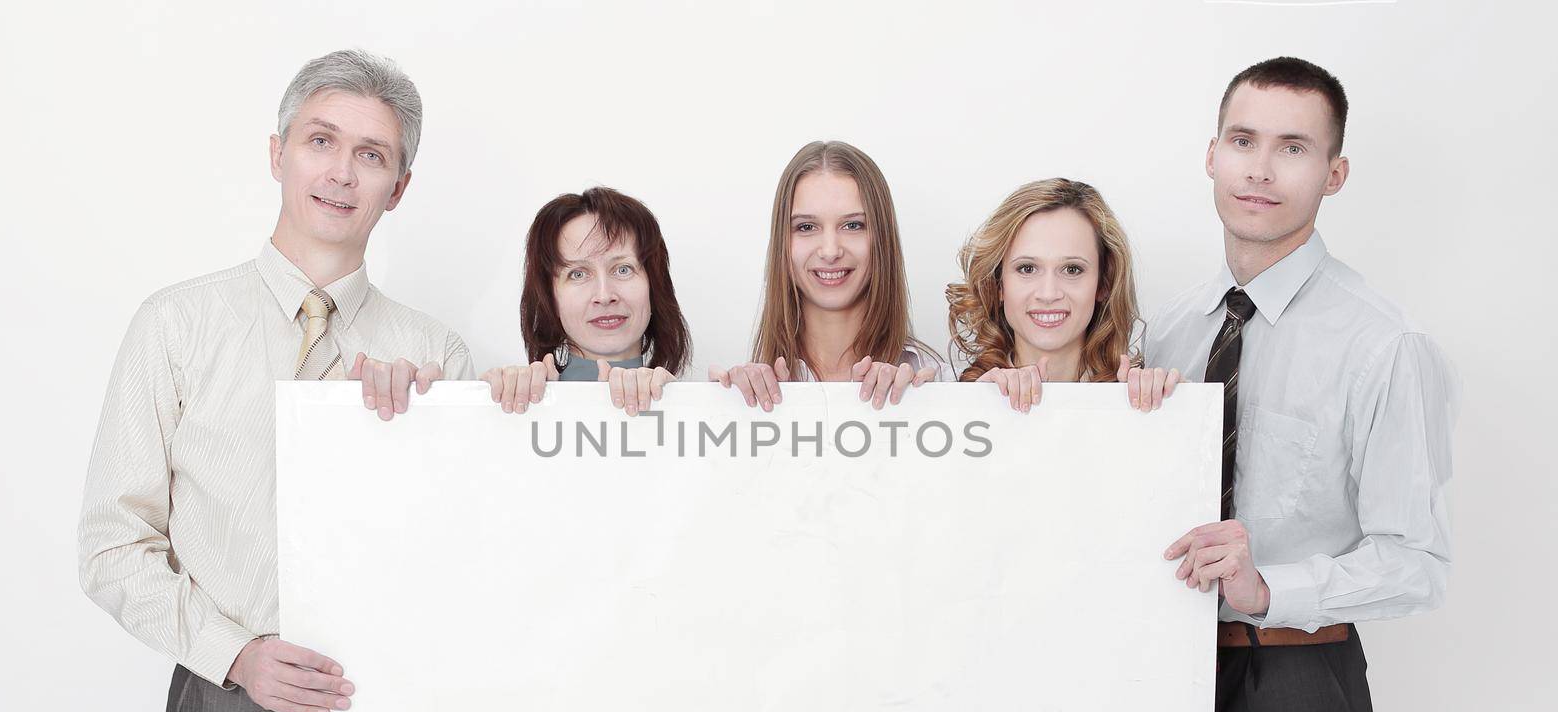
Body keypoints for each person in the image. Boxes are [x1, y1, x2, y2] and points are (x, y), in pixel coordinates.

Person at [76, 49, 473, 712]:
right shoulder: (175, 325)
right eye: (320, 141)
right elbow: (112, 542)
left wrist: (431, 433)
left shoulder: (434, 354)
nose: (341, 173)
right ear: (276, 153)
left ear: (399, 187)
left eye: (372, 155)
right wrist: (237, 654)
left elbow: (464, 557)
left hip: (389, 700)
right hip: (225, 697)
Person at [1145, 56, 1458, 712]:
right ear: (1210, 153)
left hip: (1300, 682)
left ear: (1335, 172)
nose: (1260, 167)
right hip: (1155, 675)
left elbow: (1416, 562)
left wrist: (1270, 590)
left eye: (1293, 147)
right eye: (1243, 139)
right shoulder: (1168, 334)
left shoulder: (1384, 346)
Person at [711, 140, 947, 410]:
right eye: (807, 226)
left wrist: (933, 404)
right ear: (782, 244)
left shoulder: (940, 383)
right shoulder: (741, 393)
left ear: (881, 239)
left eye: (853, 225)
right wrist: (711, 404)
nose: (830, 251)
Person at [946, 177, 1180, 411]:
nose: (1048, 294)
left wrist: (1180, 407)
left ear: (1103, 283)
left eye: (1072, 269)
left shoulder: (1142, 400)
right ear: (998, 284)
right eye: (1027, 268)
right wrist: (972, 407)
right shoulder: (946, 396)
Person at [481, 186, 692, 416]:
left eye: (623, 269)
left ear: (654, 287)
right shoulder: (510, 401)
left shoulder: (698, 410)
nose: (604, 296)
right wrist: (477, 402)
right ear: (550, 299)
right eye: (578, 274)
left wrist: (682, 404)